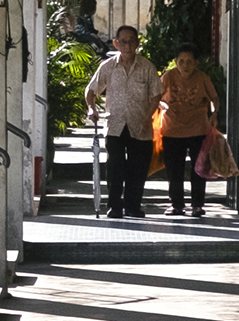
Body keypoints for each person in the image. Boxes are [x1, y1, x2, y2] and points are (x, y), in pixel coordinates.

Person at [83, 23, 162, 217]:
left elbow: (156, 95)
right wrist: (91, 108)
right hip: (115, 125)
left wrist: (148, 117)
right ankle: (115, 206)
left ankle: (133, 206)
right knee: (115, 167)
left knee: (138, 168)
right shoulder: (108, 67)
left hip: (140, 124)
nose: (128, 46)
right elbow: (91, 90)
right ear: (116, 43)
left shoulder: (147, 67)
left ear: (138, 43)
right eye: (123, 42)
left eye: (131, 41)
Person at [157, 45, 220, 219]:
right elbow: (157, 98)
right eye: (181, 61)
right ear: (175, 62)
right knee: (174, 169)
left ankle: (197, 205)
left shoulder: (202, 78)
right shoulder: (167, 77)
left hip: (198, 129)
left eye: (189, 62)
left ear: (196, 63)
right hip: (172, 130)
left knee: (199, 169)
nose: (185, 65)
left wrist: (214, 113)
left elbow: (214, 98)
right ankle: (176, 205)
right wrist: (164, 107)